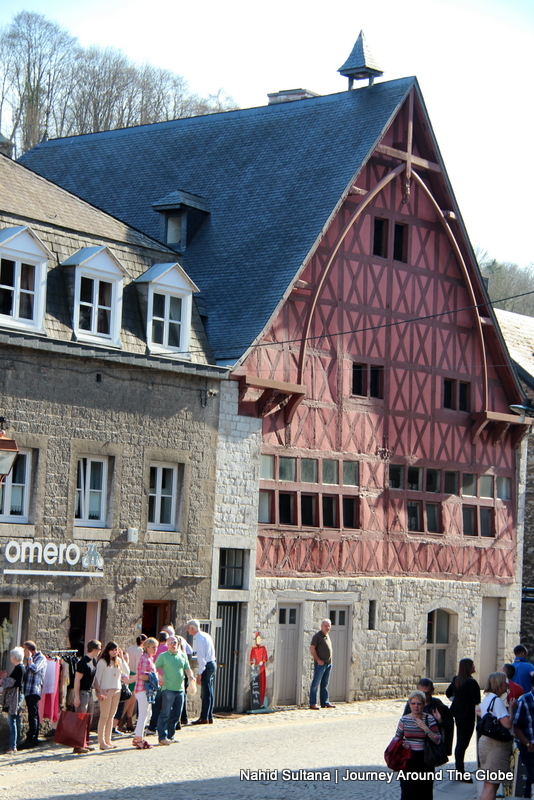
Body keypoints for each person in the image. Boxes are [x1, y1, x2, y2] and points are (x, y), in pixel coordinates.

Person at [395, 689, 441, 799]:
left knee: (424, 793)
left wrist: (425, 728)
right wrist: (402, 743)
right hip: (408, 759)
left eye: (419, 704)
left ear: (424, 704)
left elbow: (437, 740)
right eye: (413, 703)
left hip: (425, 760)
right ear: (409, 705)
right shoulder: (404, 720)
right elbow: (397, 738)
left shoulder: (429, 719)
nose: (416, 706)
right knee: (407, 792)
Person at [477, 672, 515, 800]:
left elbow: (478, 710)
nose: (507, 685)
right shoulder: (497, 701)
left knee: (488, 783)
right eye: (505, 682)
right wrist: (511, 709)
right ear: (499, 684)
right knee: (492, 784)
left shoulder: (488, 698)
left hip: (486, 743)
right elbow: (507, 723)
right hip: (496, 746)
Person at [446, 657, 481, 781]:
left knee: (460, 743)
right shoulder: (471, 683)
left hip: (458, 714)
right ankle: (460, 773)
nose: (474, 667)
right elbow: (476, 700)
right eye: (472, 665)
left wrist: (457, 700)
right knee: (462, 744)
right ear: (468, 668)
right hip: (468, 716)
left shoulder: (457, 680)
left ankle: (459, 770)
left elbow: (448, 693)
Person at [156, 635, 194, 745]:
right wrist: (160, 677)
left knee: (176, 714)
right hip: (168, 689)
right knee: (165, 714)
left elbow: (187, 668)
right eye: (171, 642)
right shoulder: (163, 656)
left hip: (180, 689)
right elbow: (155, 668)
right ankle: (162, 737)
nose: (173, 644)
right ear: (167, 645)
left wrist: (191, 676)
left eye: (175, 642)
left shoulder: (182, 655)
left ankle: (171, 736)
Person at [403, 678, 454, 755]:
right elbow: (403, 723)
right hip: (413, 746)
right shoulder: (412, 704)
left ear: (432, 690)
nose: (424, 696)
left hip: (430, 748)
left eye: (427, 693)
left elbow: (449, 725)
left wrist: (440, 720)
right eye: (421, 693)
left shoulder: (438, 705)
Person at [94, 642, 129, 750]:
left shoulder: (118, 661)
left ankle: (108, 740)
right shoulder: (102, 662)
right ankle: (101, 741)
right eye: (112, 650)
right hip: (106, 690)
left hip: (116, 690)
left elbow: (126, 672)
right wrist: (99, 692)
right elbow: (97, 679)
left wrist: (122, 658)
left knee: (111, 717)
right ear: (108, 650)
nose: (114, 652)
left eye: (116, 650)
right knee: (104, 716)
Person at [72, 639, 101, 754]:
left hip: (90, 693)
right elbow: (77, 680)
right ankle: (77, 745)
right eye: (99, 649)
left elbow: (94, 679)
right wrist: (77, 697)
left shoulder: (93, 661)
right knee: (81, 719)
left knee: (88, 719)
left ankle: (84, 743)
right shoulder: (83, 662)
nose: (100, 651)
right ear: (94, 650)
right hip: (83, 693)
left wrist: (99, 691)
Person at [187, 619, 217, 724]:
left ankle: (204, 717)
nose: (187, 630)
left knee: (205, 693)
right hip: (212, 663)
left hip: (207, 666)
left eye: (188, 627)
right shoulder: (206, 635)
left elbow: (201, 659)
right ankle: (209, 716)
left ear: (192, 628)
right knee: (210, 691)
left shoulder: (199, 639)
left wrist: (199, 674)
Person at [20, 640, 46, 749]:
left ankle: (32, 739)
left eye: (24, 649)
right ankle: (32, 738)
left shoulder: (41, 658)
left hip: (34, 690)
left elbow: (35, 669)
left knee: (33, 714)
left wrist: (29, 658)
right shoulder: (30, 659)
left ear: (29, 650)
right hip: (28, 690)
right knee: (32, 713)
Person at [133, 637, 158, 750]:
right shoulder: (145, 659)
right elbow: (142, 675)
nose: (155, 649)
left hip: (146, 690)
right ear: (147, 647)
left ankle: (139, 736)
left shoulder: (149, 658)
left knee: (147, 714)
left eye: (156, 647)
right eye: (153, 647)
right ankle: (138, 739)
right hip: (143, 689)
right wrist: (155, 677)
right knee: (143, 715)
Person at [512, 670, 534, 799]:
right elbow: (516, 726)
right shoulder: (524, 700)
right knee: (532, 775)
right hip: (529, 746)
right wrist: (527, 743)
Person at [1, 646, 25, 754]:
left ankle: (12, 746)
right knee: (15, 720)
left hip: (15, 696)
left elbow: (13, 683)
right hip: (17, 695)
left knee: (12, 721)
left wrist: (3, 680)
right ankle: (15, 744)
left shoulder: (19, 668)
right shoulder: (19, 667)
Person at [309, 619, 335, 709]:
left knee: (325, 684)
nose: (327, 628)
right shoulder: (317, 636)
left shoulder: (327, 636)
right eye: (325, 626)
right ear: (321, 626)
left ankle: (325, 702)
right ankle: (313, 703)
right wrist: (318, 659)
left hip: (328, 663)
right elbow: (312, 648)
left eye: (329, 626)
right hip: (321, 664)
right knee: (316, 683)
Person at [122, 634, 146, 731]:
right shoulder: (140, 650)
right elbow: (138, 664)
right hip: (134, 675)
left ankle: (129, 721)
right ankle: (120, 720)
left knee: (132, 700)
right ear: (143, 642)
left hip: (129, 673)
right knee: (131, 700)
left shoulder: (130, 648)